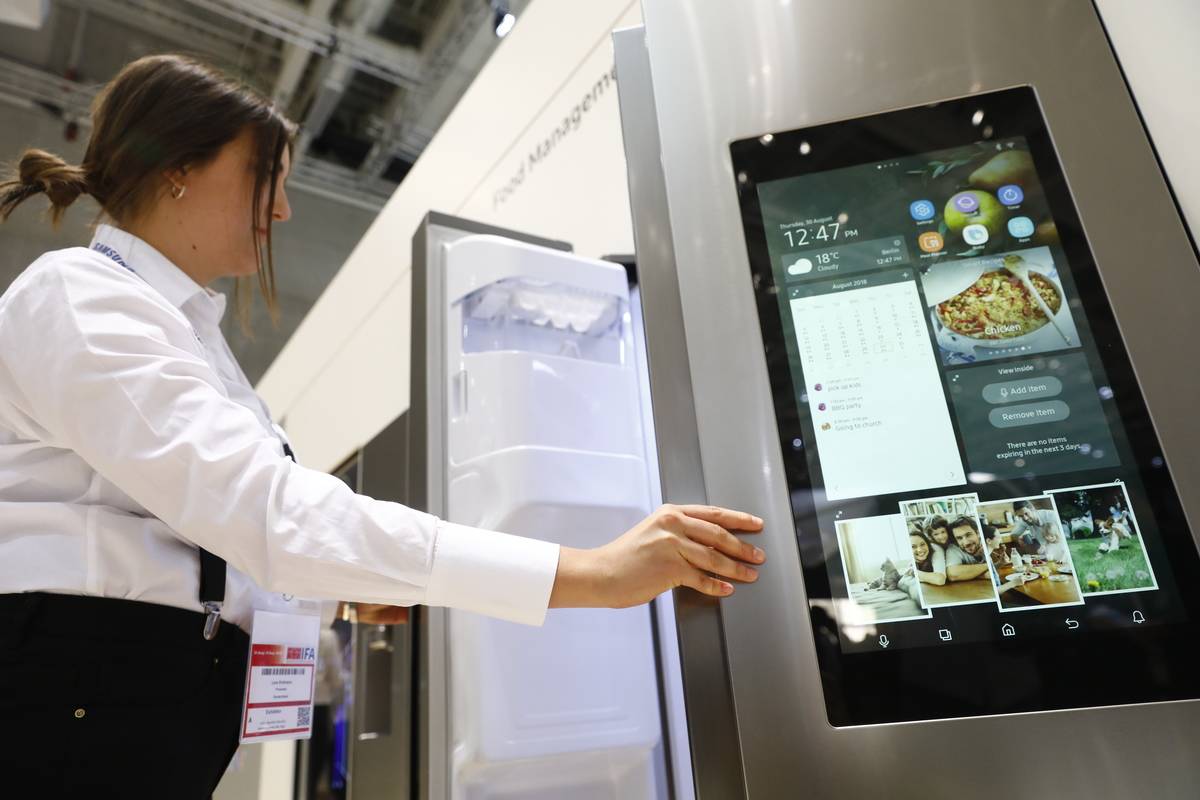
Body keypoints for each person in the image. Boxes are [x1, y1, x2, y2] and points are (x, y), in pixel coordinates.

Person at [0, 55, 766, 798]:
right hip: (80, 694)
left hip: (128, 696)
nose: (283, 211)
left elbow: (189, 535)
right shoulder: (81, 298)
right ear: (177, 169)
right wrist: (591, 575)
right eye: (266, 179)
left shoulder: (182, 329)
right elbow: (268, 512)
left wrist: (337, 596)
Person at [945, 516, 989, 581]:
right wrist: (988, 567)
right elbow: (953, 574)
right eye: (959, 538)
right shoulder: (953, 549)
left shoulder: (988, 541)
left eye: (968, 535)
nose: (966, 543)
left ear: (978, 533)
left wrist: (968, 574)